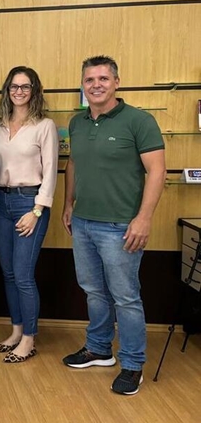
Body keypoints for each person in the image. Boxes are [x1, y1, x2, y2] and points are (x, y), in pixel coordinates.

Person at [61, 55, 165, 395]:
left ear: (117, 82)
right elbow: (73, 164)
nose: (96, 85)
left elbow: (157, 171)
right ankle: (99, 348)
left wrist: (144, 217)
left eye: (103, 79)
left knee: (126, 297)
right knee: (93, 290)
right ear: (83, 85)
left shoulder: (139, 121)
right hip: (84, 222)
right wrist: (67, 204)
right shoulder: (77, 123)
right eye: (89, 80)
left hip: (122, 226)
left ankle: (133, 365)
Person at [0, 66, 58, 363]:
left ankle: (29, 339)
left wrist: (37, 210)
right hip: (1, 202)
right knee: (9, 273)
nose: (19, 92)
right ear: (7, 90)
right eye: (14, 87)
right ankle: (15, 332)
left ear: (34, 91)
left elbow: (51, 170)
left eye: (25, 87)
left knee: (24, 275)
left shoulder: (45, 125)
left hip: (31, 202)